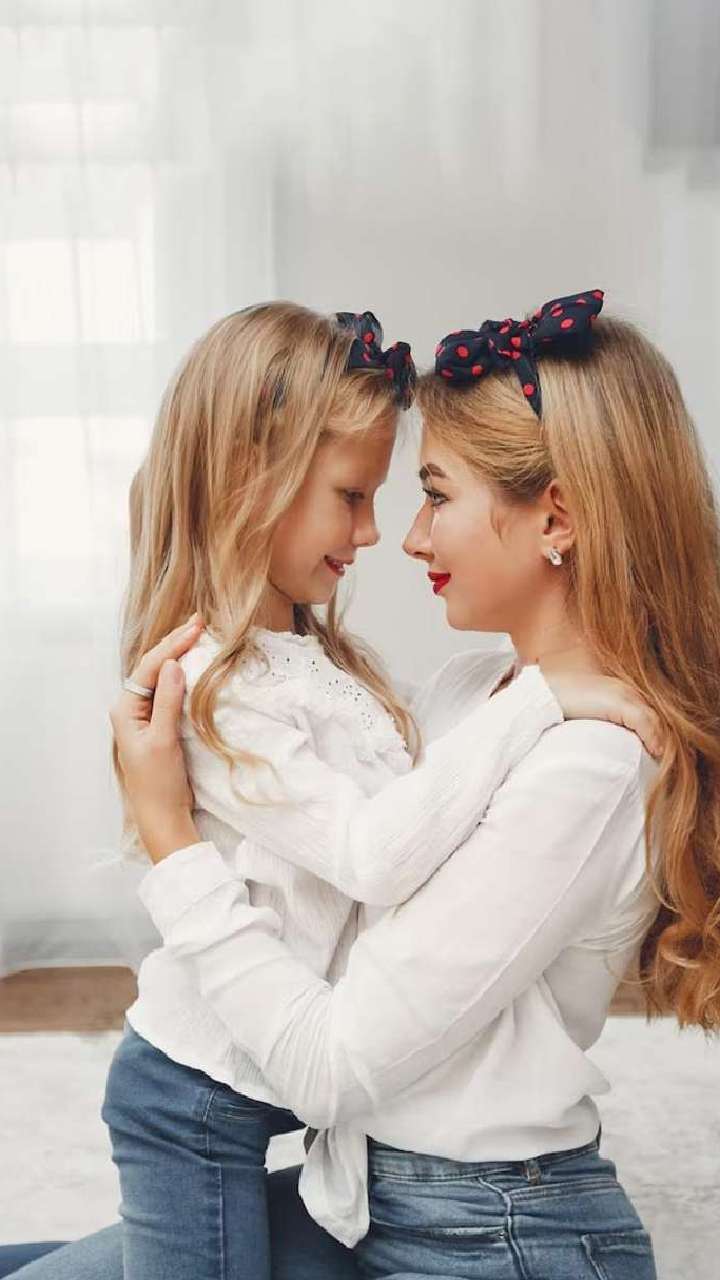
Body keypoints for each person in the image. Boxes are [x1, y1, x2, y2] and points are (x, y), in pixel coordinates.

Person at [8, 289, 716, 1278]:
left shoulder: (589, 758)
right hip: (364, 1195)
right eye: (375, 497)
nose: (406, 537)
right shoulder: (471, 693)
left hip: (487, 1233)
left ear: (554, 516)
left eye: (434, 494)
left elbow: (331, 1060)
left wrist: (172, 838)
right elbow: (366, 823)